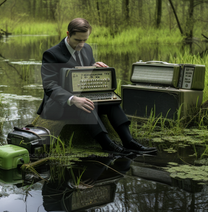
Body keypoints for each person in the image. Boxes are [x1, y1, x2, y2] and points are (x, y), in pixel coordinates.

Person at [37, 18, 156, 156]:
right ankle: (107, 144)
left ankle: (129, 141)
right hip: (60, 104)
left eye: (84, 40)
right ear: (68, 34)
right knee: (85, 104)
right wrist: (73, 99)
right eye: (77, 40)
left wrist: (94, 68)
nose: (81, 45)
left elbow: (84, 75)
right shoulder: (51, 54)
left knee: (112, 102)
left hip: (83, 95)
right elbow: (49, 85)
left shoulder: (87, 48)